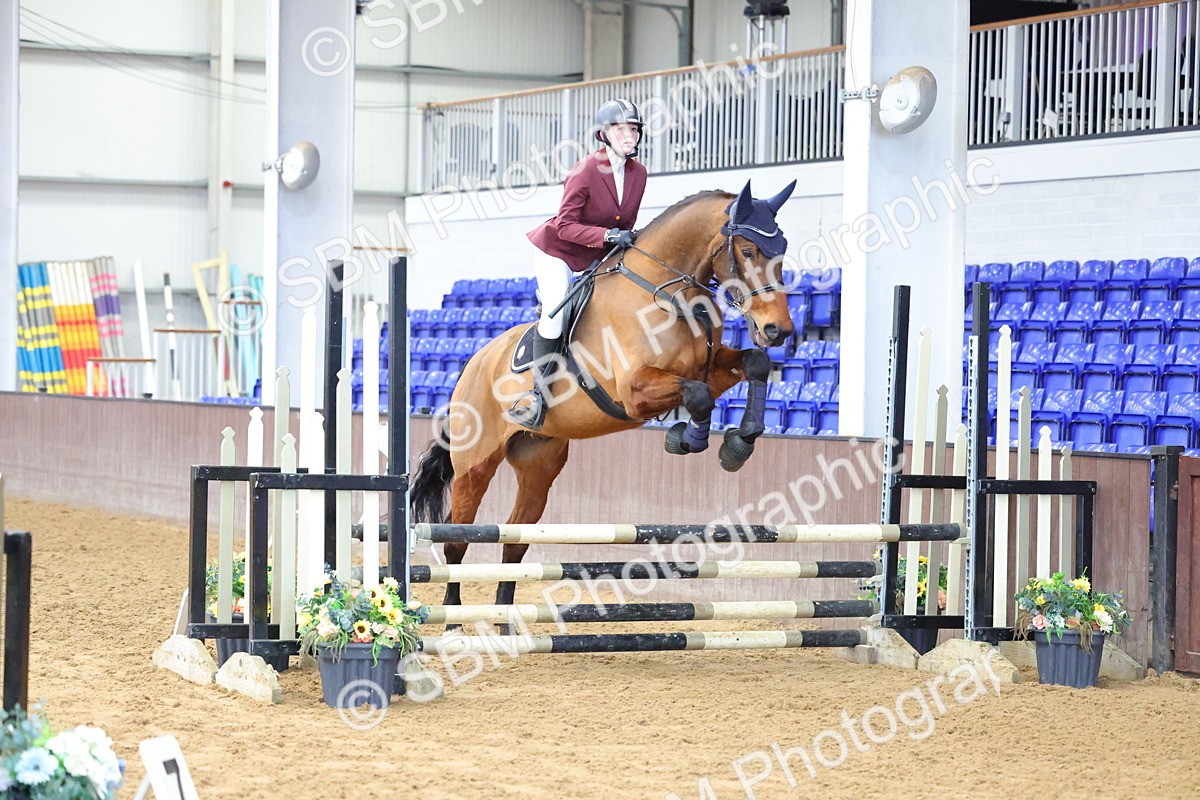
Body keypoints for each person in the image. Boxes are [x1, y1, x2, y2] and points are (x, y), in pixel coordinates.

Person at [510, 98, 648, 430]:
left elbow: (624, 222)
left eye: (633, 129)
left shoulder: (638, 173)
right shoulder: (586, 169)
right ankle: (537, 398)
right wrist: (608, 237)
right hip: (558, 251)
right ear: (604, 134)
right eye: (621, 129)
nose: (629, 135)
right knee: (557, 309)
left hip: (596, 255)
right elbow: (564, 225)